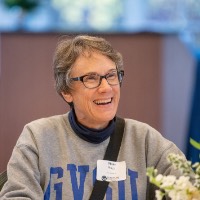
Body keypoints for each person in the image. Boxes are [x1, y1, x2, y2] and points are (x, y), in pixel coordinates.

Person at [0, 35, 184, 200]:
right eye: (90, 78)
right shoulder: (38, 138)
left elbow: (188, 189)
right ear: (66, 91)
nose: (106, 88)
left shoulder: (145, 141)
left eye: (111, 75)